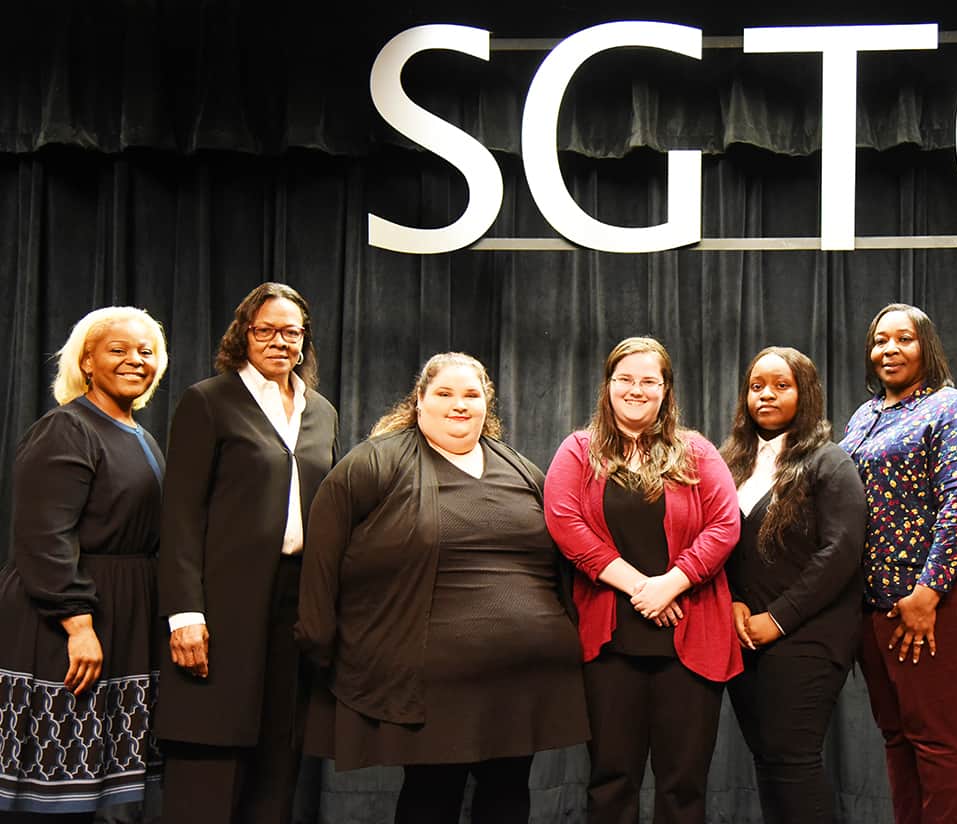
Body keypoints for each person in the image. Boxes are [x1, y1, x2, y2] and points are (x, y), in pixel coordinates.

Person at [295, 352, 588, 824]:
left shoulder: (522, 470)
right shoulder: (374, 464)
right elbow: (323, 557)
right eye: (445, 394)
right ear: (419, 402)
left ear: (486, 405)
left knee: (509, 792)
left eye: (471, 395)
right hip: (433, 684)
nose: (459, 405)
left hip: (525, 680)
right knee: (432, 795)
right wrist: (319, 640)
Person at [156, 283, 339, 824]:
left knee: (279, 751)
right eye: (266, 330)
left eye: (291, 331)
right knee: (213, 746)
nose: (279, 341)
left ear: (304, 340)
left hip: (293, 600)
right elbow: (180, 516)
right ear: (244, 334)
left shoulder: (320, 411)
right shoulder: (208, 401)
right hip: (222, 601)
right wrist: (185, 613)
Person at [544, 336, 742, 824]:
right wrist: (642, 587)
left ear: (666, 389)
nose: (636, 390)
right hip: (610, 647)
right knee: (611, 781)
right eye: (625, 379)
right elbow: (566, 525)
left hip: (689, 644)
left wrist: (672, 583)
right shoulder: (578, 450)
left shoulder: (695, 451)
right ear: (608, 386)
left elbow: (725, 525)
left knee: (684, 786)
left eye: (648, 381)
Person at [840, 304, 957, 824]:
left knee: (939, 741)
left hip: (941, 596)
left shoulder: (954, 409)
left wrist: (929, 591)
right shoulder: (864, 416)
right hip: (878, 601)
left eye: (903, 339)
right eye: (879, 341)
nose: (889, 349)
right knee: (899, 739)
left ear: (926, 346)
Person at [0, 307, 167, 821]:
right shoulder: (67, 429)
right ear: (87, 361)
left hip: (125, 614)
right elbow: (43, 535)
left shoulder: (137, 432)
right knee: (58, 790)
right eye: (118, 350)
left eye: (146, 351)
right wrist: (77, 622)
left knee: (110, 791)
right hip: (67, 619)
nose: (135, 360)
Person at [719, 347, 865, 824]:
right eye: (757, 385)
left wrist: (776, 619)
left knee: (794, 760)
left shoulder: (830, 462)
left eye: (781, 385)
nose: (766, 394)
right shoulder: (730, 464)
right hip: (745, 635)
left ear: (805, 394)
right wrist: (736, 605)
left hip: (807, 635)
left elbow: (839, 553)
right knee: (769, 759)